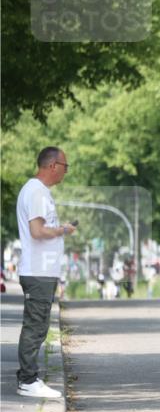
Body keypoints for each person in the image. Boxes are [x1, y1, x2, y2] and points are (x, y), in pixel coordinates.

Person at [15, 146, 75, 399]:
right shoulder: (37, 192)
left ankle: (29, 378)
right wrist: (63, 230)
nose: (66, 171)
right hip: (37, 270)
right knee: (35, 327)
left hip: (42, 270)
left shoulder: (38, 191)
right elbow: (37, 231)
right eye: (65, 166)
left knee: (38, 326)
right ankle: (28, 381)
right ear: (52, 166)